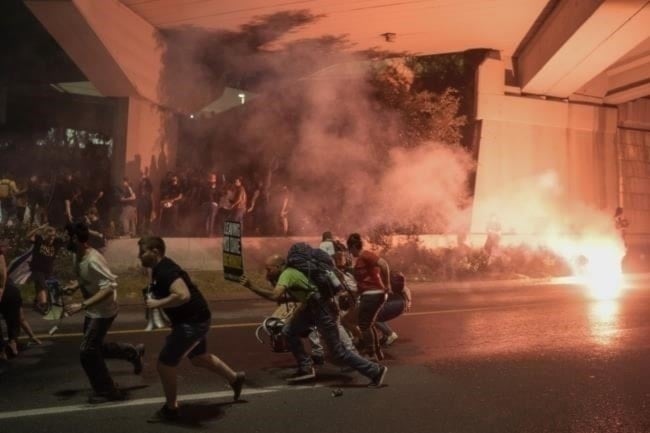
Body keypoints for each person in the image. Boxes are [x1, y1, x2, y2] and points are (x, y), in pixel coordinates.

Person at [138, 236, 245, 423]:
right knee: (198, 358)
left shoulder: (165, 270)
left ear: (155, 252)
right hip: (196, 318)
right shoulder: (157, 268)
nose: (139, 255)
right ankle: (235, 378)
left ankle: (171, 409)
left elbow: (183, 295)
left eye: (142, 251)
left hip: (192, 323)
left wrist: (156, 303)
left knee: (165, 364)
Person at [239, 254, 387, 386]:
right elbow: (305, 296)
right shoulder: (292, 274)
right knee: (288, 330)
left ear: (278, 267)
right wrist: (293, 316)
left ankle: (375, 371)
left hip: (324, 310)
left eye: (269, 269)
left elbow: (274, 296)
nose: (267, 273)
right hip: (312, 307)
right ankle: (306, 367)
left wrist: (251, 286)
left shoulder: (287, 274)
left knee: (338, 352)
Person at [63, 222, 145, 404]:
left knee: (87, 351)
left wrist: (81, 305)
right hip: (94, 309)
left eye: (66, 236)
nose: (63, 239)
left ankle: (108, 390)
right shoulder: (77, 255)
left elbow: (108, 287)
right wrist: (76, 286)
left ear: (75, 238)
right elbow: (88, 277)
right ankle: (131, 352)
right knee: (95, 349)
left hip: (104, 311)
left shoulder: (93, 259)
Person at [346, 233, 390, 361]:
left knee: (364, 325)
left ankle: (371, 354)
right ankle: (377, 352)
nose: (349, 252)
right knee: (368, 324)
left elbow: (384, 264)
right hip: (371, 294)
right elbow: (363, 281)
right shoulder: (360, 260)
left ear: (354, 246)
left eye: (349, 249)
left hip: (374, 294)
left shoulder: (366, 255)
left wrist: (387, 284)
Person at [0, 244, 41, 360]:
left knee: (16, 318)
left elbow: (2, 273)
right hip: (9, 291)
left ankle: (10, 346)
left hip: (7, 291)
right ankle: (9, 346)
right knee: (16, 318)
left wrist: (1, 289)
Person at [26, 224, 65, 314]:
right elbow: (28, 236)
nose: (52, 238)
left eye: (53, 236)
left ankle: (37, 303)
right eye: (49, 236)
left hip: (48, 270)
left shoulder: (57, 242)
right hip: (37, 269)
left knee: (51, 287)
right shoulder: (39, 240)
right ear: (45, 235)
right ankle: (43, 305)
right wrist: (39, 229)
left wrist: (53, 232)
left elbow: (65, 240)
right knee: (42, 287)